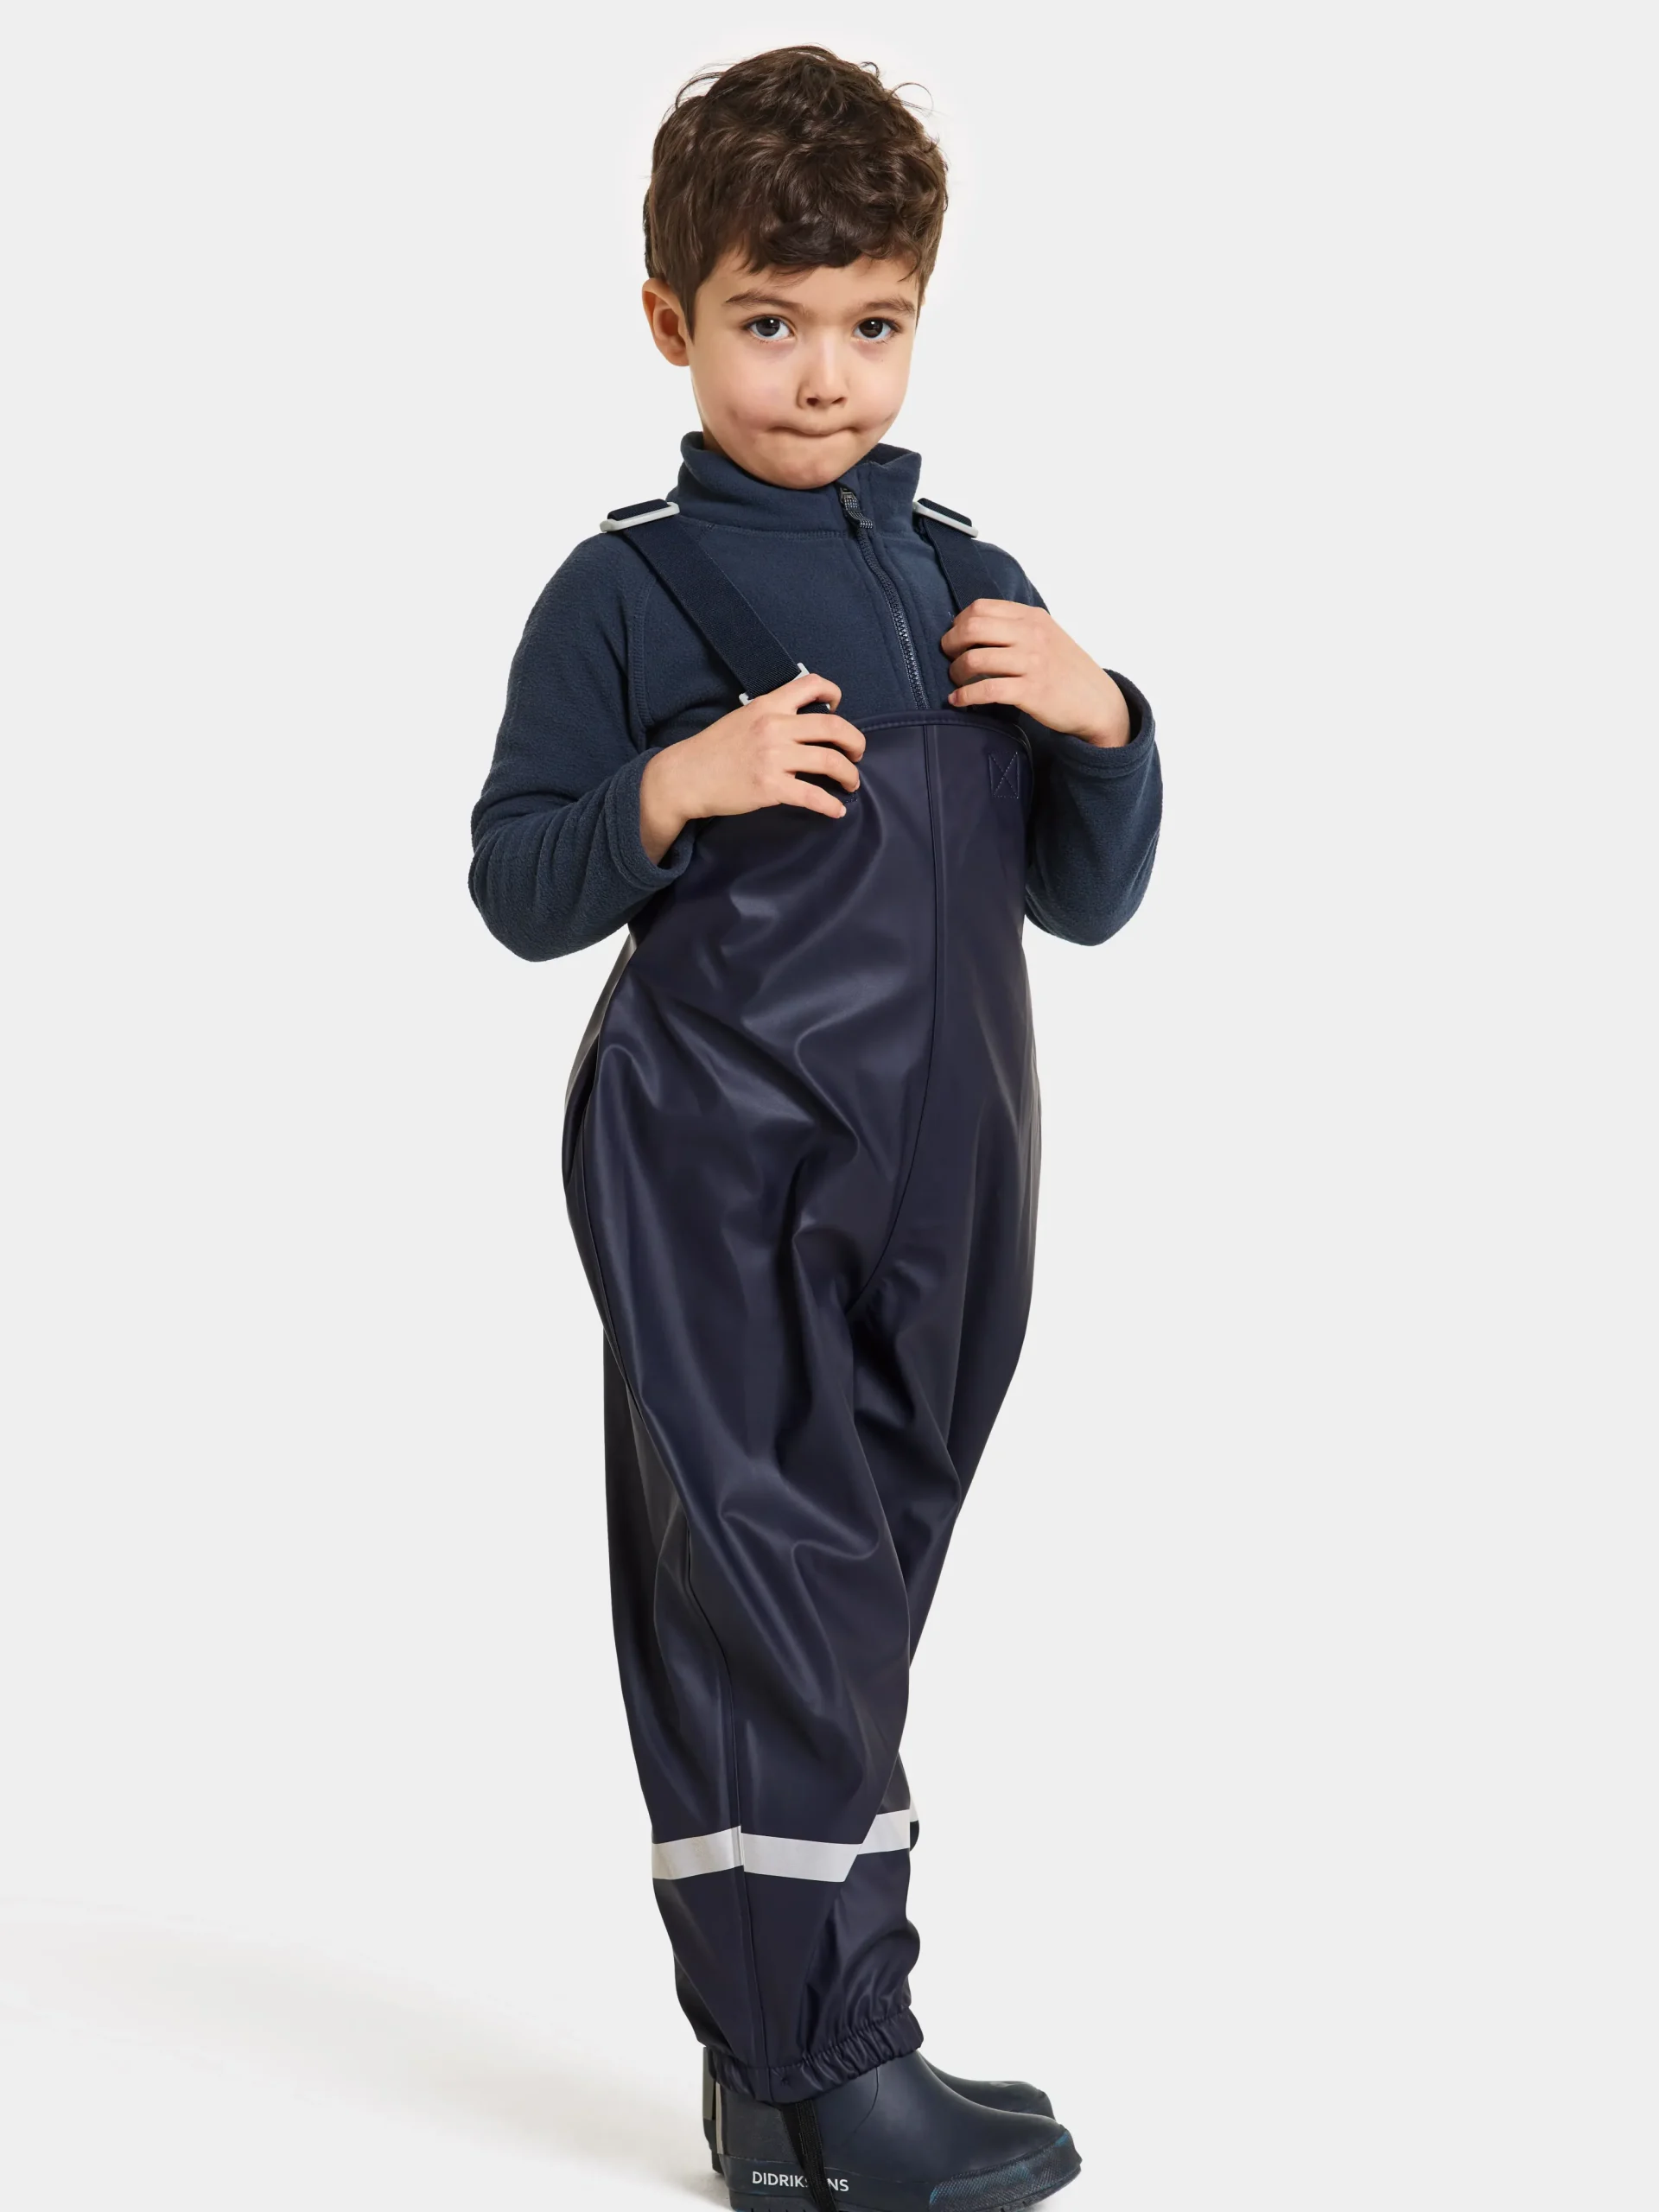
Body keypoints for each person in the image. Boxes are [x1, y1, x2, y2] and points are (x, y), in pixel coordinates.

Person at [467, 43, 1161, 2212]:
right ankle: (835, 2054)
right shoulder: (634, 590)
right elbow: (515, 880)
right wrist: (672, 787)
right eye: (771, 322)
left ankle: (781, 2091)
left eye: (874, 322)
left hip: (950, 1171)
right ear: (670, 319)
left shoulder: (968, 573)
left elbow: (1088, 893)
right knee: (780, 1589)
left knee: (857, 1603)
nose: (826, 376)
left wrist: (1108, 720)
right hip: (722, 1158)